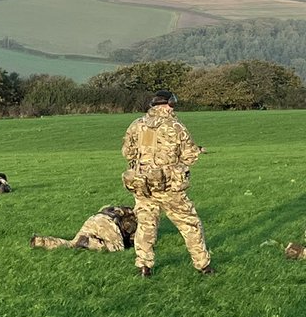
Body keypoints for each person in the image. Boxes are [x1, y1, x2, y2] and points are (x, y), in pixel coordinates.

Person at [122, 90, 214, 276]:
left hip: (142, 185)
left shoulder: (136, 125)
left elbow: (127, 153)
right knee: (190, 224)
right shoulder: (176, 126)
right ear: (168, 104)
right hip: (169, 188)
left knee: (146, 225)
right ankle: (203, 265)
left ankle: (144, 266)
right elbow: (189, 156)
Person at [30, 205, 138, 252]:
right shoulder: (137, 219)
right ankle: (90, 243)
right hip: (108, 224)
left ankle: (40, 241)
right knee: (117, 249)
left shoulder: (120, 208)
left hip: (92, 220)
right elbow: (134, 240)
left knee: (72, 244)